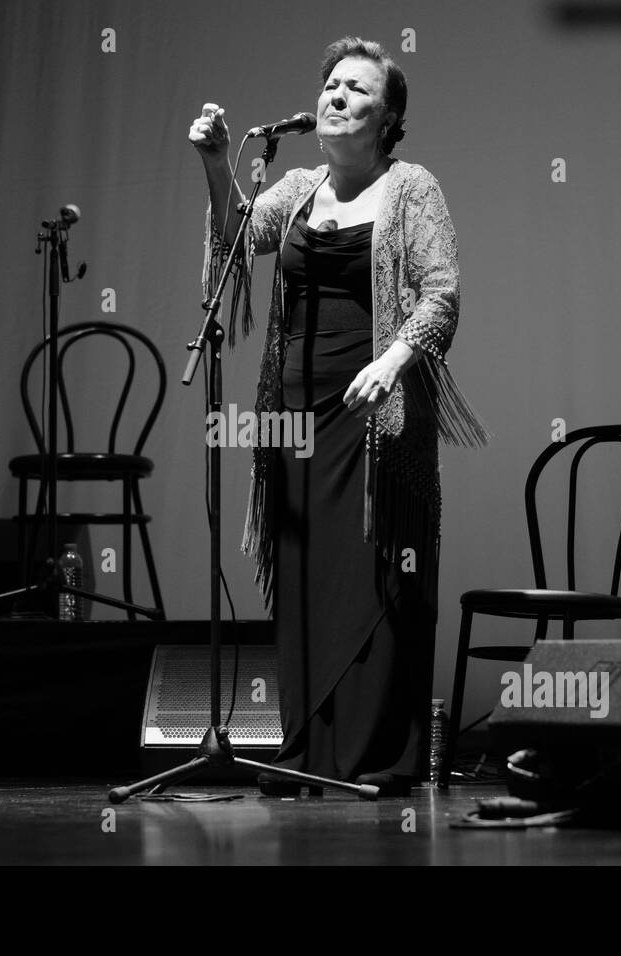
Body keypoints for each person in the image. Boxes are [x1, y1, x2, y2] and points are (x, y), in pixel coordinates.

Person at [189, 36, 489, 797]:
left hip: (376, 419)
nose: (335, 94)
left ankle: (376, 757)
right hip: (291, 418)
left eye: (356, 87)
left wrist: (391, 364)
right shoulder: (295, 189)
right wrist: (217, 162)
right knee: (304, 578)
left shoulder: (412, 188)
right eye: (330, 83)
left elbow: (440, 295)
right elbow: (238, 239)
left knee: (375, 577)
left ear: (388, 118)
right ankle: (304, 754)